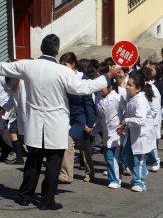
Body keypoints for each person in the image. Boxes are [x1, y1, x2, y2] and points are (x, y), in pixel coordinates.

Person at [0, 34, 119, 210]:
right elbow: (83, 88)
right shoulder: (63, 71)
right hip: (55, 123)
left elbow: (3, 67)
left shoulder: (27, 65)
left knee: (33, 161)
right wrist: (107, 76)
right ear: (56, 50)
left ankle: (24, 196)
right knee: (53, 163)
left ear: (41, 48)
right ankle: (47, 200)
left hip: (35, 122)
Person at [58, 52, 97, 184]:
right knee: (84, 147)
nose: (62, 67)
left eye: (65, 65)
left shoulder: (83, 79)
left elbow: (89, 102)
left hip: (82, 117)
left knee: (69, 142)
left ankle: (66, 174)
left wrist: (90, 123)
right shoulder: (64, 78)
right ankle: (90, 173)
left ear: (73, 64)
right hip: (69, 116)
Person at [119, 72, 156, 192]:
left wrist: (125, 121)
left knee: (138, 159)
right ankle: (141, 173)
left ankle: (140, 183)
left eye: (130, 85)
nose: (127, 87)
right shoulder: (131, 98)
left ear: (138, 88)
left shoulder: (140, 100)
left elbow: (140, 120)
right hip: (132, 133)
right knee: (126, 155)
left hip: (141, 135)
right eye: (127, 84)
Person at [95, 62, 126, 189]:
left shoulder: (118, 97)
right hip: (106, 132)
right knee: (110, 156)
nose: (99, 90)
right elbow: (98, 116)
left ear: (110, 87)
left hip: (118, 132)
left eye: (102, 88)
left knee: (113, 156)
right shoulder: (98, 97)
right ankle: (115, 178)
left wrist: (123, 124)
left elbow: (127, 112)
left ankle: (115, 179)